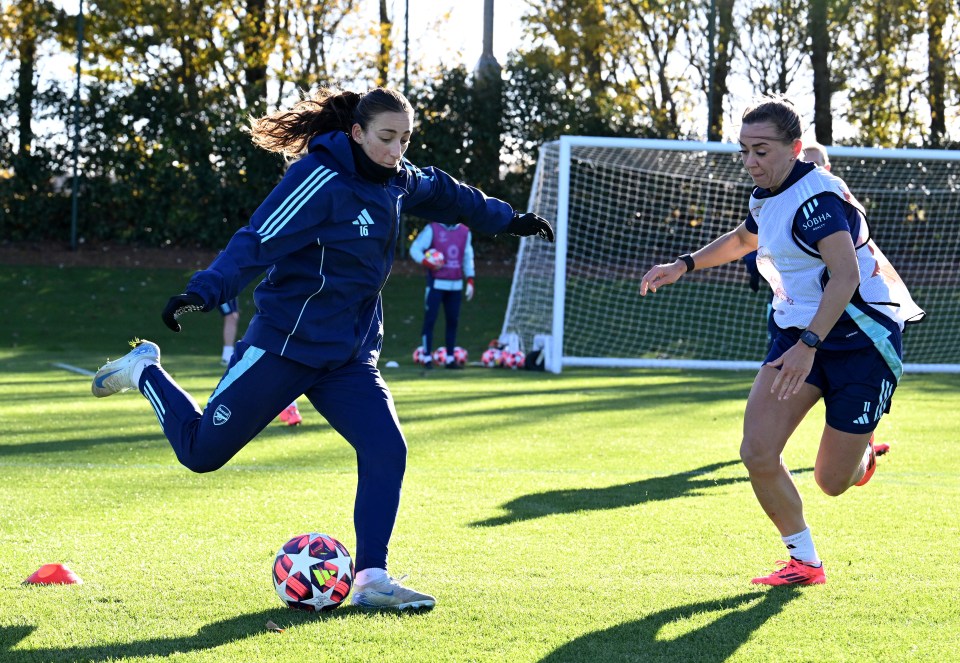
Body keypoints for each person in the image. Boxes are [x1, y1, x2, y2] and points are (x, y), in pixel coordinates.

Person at [90, 86, 554, 609]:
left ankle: (372, 578)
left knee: (387, 448)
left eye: (404, 139)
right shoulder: (316, 179)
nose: (397, 150)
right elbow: (255, 239)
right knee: (200, 454)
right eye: (386, 137)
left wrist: (505, 218)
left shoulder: (398, 179)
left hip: (349, 357)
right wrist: (206, 289)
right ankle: (145, 370)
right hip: (285, 346)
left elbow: (448, 193)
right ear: (356, 133)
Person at [640, 96, 923, 586]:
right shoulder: (765, 196)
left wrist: (810, 342)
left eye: (762, 150)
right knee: (758, 451)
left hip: (862, 346)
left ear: (794, 148)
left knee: (831, 482)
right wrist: (682, 265)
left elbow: (845, 277)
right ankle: (805, 562)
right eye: (745, 151)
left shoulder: (819, 201)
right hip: (799, 338)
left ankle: (861, 455)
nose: (751, 161)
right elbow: (744, 240)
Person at [220, 298, 302, 426]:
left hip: (288, 328)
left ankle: (289, 408)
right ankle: (288, 409)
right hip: (272, 325)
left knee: (283, 369)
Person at [409, 220, 475, 369]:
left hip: (456, 284)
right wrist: (426, 262)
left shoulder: (465, 231)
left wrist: (470, 278)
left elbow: (467, 256)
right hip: (436, 284)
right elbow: (415, 249)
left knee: (453, 321)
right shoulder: (433, 228)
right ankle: (426, 357)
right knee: (430, 320)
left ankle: (450, 359)